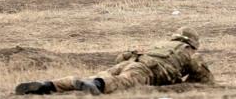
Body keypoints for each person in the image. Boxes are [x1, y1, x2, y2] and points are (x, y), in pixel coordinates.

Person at [15, 27, 213, 95]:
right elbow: (204, 81)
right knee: (120, 83)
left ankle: (50, 85)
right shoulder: (189, 52)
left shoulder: (161, 45)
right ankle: (97, 85)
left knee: (100, 76)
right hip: (148, 70)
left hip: (134, 60)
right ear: (193, 43)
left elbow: (121, 57)